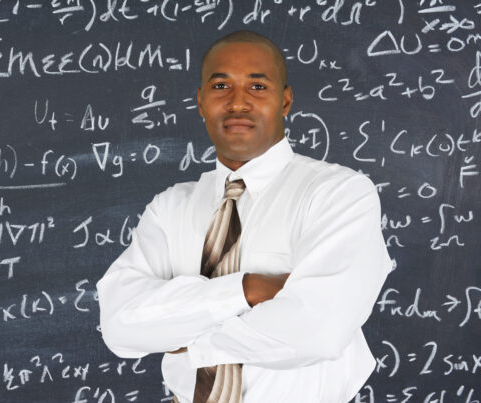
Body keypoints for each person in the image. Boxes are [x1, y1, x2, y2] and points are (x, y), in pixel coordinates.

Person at [96, 30, 392, 403]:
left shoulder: (337, 194)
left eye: (257, 86)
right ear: (201, 102)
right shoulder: (170, 208)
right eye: (221, 85)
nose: (238, 102)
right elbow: (120, 325)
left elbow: (317, 329)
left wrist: (187, 340)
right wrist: (247, 289)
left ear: (284, 101)